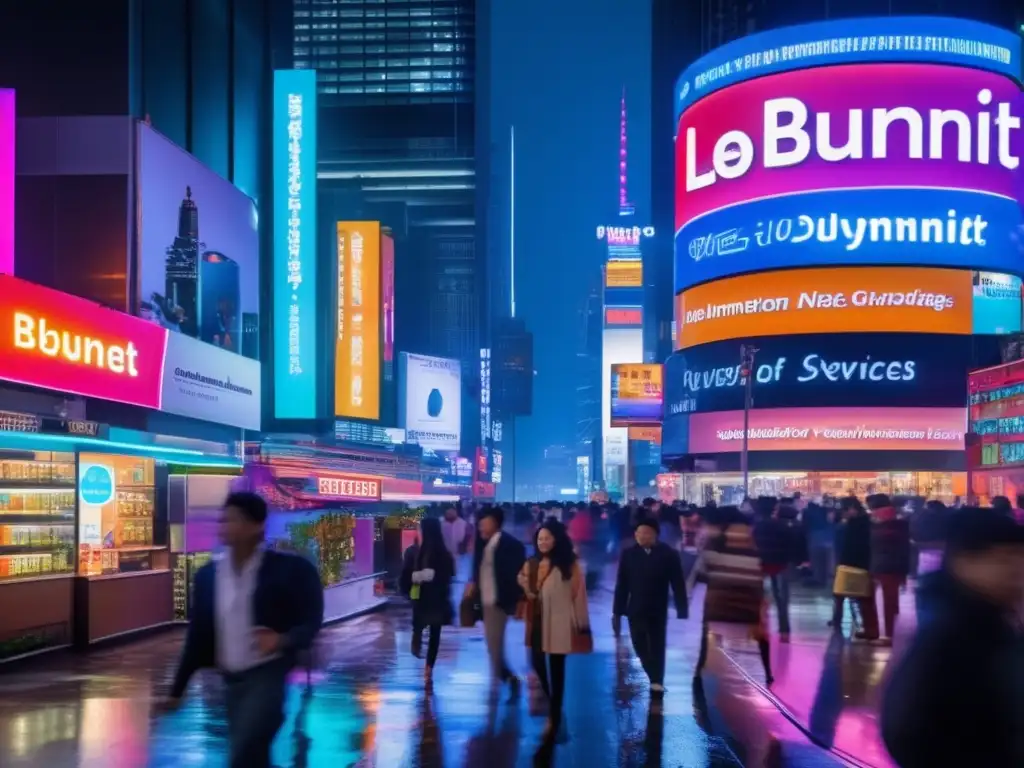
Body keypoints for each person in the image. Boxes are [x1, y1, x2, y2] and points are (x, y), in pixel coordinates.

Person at [163, 492, 324, 768]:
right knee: (251, 754)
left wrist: (283, 639)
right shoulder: (208, 577)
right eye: (222, 520)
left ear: (256, 525)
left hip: (267, 676)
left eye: (233, 519)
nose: (224, 526)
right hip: (231, 682)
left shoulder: (286, 571)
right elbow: (198, 637)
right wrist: (177, 689)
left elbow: (311, 619)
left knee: (244, 752)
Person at [881, 508, 1024, 767]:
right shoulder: (951, 634)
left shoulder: (994, 622)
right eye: (1002, 559)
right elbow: (907, 728)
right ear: (963, 562)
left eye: (1018, 558)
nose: (1015, 570)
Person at [518, 518, 592, 741]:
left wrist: (581, 623)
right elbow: (521, 579)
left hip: (560, 622)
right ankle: (553, 704)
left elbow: (579, 595)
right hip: (538, 620)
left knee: (557, 669)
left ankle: (555, 714)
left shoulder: (570, 565)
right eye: (540, 539)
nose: (542, 542)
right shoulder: (532, 563)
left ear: (556, 540)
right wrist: (527, 589)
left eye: (547, 538)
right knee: (537, 662)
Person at [694, 505, 772, 686]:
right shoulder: (753, 535)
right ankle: (768, 671)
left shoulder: (717, 536)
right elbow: (762, 560)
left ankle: (699, 667)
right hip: (751, 592)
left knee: (705, 628)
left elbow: (705, 564)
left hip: (721, 594)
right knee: (760, 633)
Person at [612, 517, 688, 696]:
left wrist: (681, 608)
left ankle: (657, 680)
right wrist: (617, 610)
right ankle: (651, 671)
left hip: (658, 607)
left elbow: (677, 582)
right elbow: (622, 584)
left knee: (657, 644)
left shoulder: (668, 554)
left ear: (655, 535)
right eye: (639, 533)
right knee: (638, 642)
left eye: (646, 533)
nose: (642, 536)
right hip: (635, 607)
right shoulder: (629, 554)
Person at [467, 505, 526, 693]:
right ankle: (506, 677)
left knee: (494, 646)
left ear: (496, 524)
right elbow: (477, 568)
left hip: (498, 602)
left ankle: (507, 679)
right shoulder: (482, 543)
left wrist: (517, 600)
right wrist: (473, 584)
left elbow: (516, 576)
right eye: (480, 525)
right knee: (492, 645)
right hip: (484, 601)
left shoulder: (511, 545)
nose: (481, 529)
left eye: (485, 524)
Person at [401, 517, 455, 686]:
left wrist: (418, 576)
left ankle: (428, 666)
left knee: (430, 631)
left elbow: (434, 574)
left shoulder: (431, 552)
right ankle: (428, 667)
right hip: (430, 598)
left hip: (430, 598)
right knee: (433, 633)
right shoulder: (426, 551)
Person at [867, 493, 911, 645]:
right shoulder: (901, 523)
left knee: (886, 602)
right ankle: (890, 634)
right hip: (892, 566)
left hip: (883, 566)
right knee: (891, 603)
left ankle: (886, 635)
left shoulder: (877, 525)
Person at [752, 496, 795, 642]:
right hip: (780, 565)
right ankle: (784, 630)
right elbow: (790, 546)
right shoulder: (783, 526)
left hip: (761, 566)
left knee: (760, 600)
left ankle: (761, 627)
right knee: (782, 600)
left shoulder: (755, 526)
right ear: (774, 509)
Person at [831, 496, 875, 638]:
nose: (843, 513)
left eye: (844, 510)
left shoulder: (854, 524)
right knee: (858, 598)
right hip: (859, 563)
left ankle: (841, 621)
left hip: (851, 563)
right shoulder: (866, 522)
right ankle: (863, 625)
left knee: (843, 595)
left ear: (852, 508)